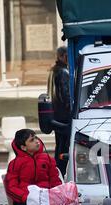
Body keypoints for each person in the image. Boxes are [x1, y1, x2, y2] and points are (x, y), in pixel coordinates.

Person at [4, 129, 62, 205]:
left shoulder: (48, 159)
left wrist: (55, 196)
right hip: (26, 201)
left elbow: (55, 181)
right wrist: (26, 197)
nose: (37, 141)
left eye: (36, 138)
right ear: (23, 147)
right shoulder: (15, 164)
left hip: (46, 199)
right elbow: (11, 187)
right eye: (32, 140)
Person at [47, 46, 71, 177]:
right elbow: (65, 95)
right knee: (63, 148)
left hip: (57, 115)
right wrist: (72, 111)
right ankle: (60, 173)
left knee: (59, 146)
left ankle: (58, 173)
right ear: (62, 56)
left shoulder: (53, 70)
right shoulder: (62, 72)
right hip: (63, 116)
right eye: (67, 56)